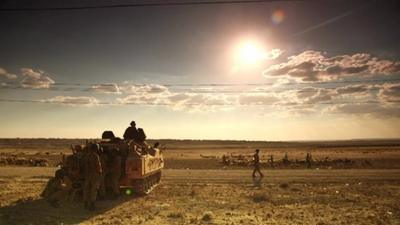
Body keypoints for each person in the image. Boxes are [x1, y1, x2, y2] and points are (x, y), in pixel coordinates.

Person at [83, 143, 102, 210]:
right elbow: (98, 166)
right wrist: (100, 172)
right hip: (95, 174)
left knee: (86, 189)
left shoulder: (87, 156)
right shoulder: (95, 156)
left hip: (87, 174)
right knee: (94, 189)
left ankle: (85, 203)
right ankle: (92, 204)